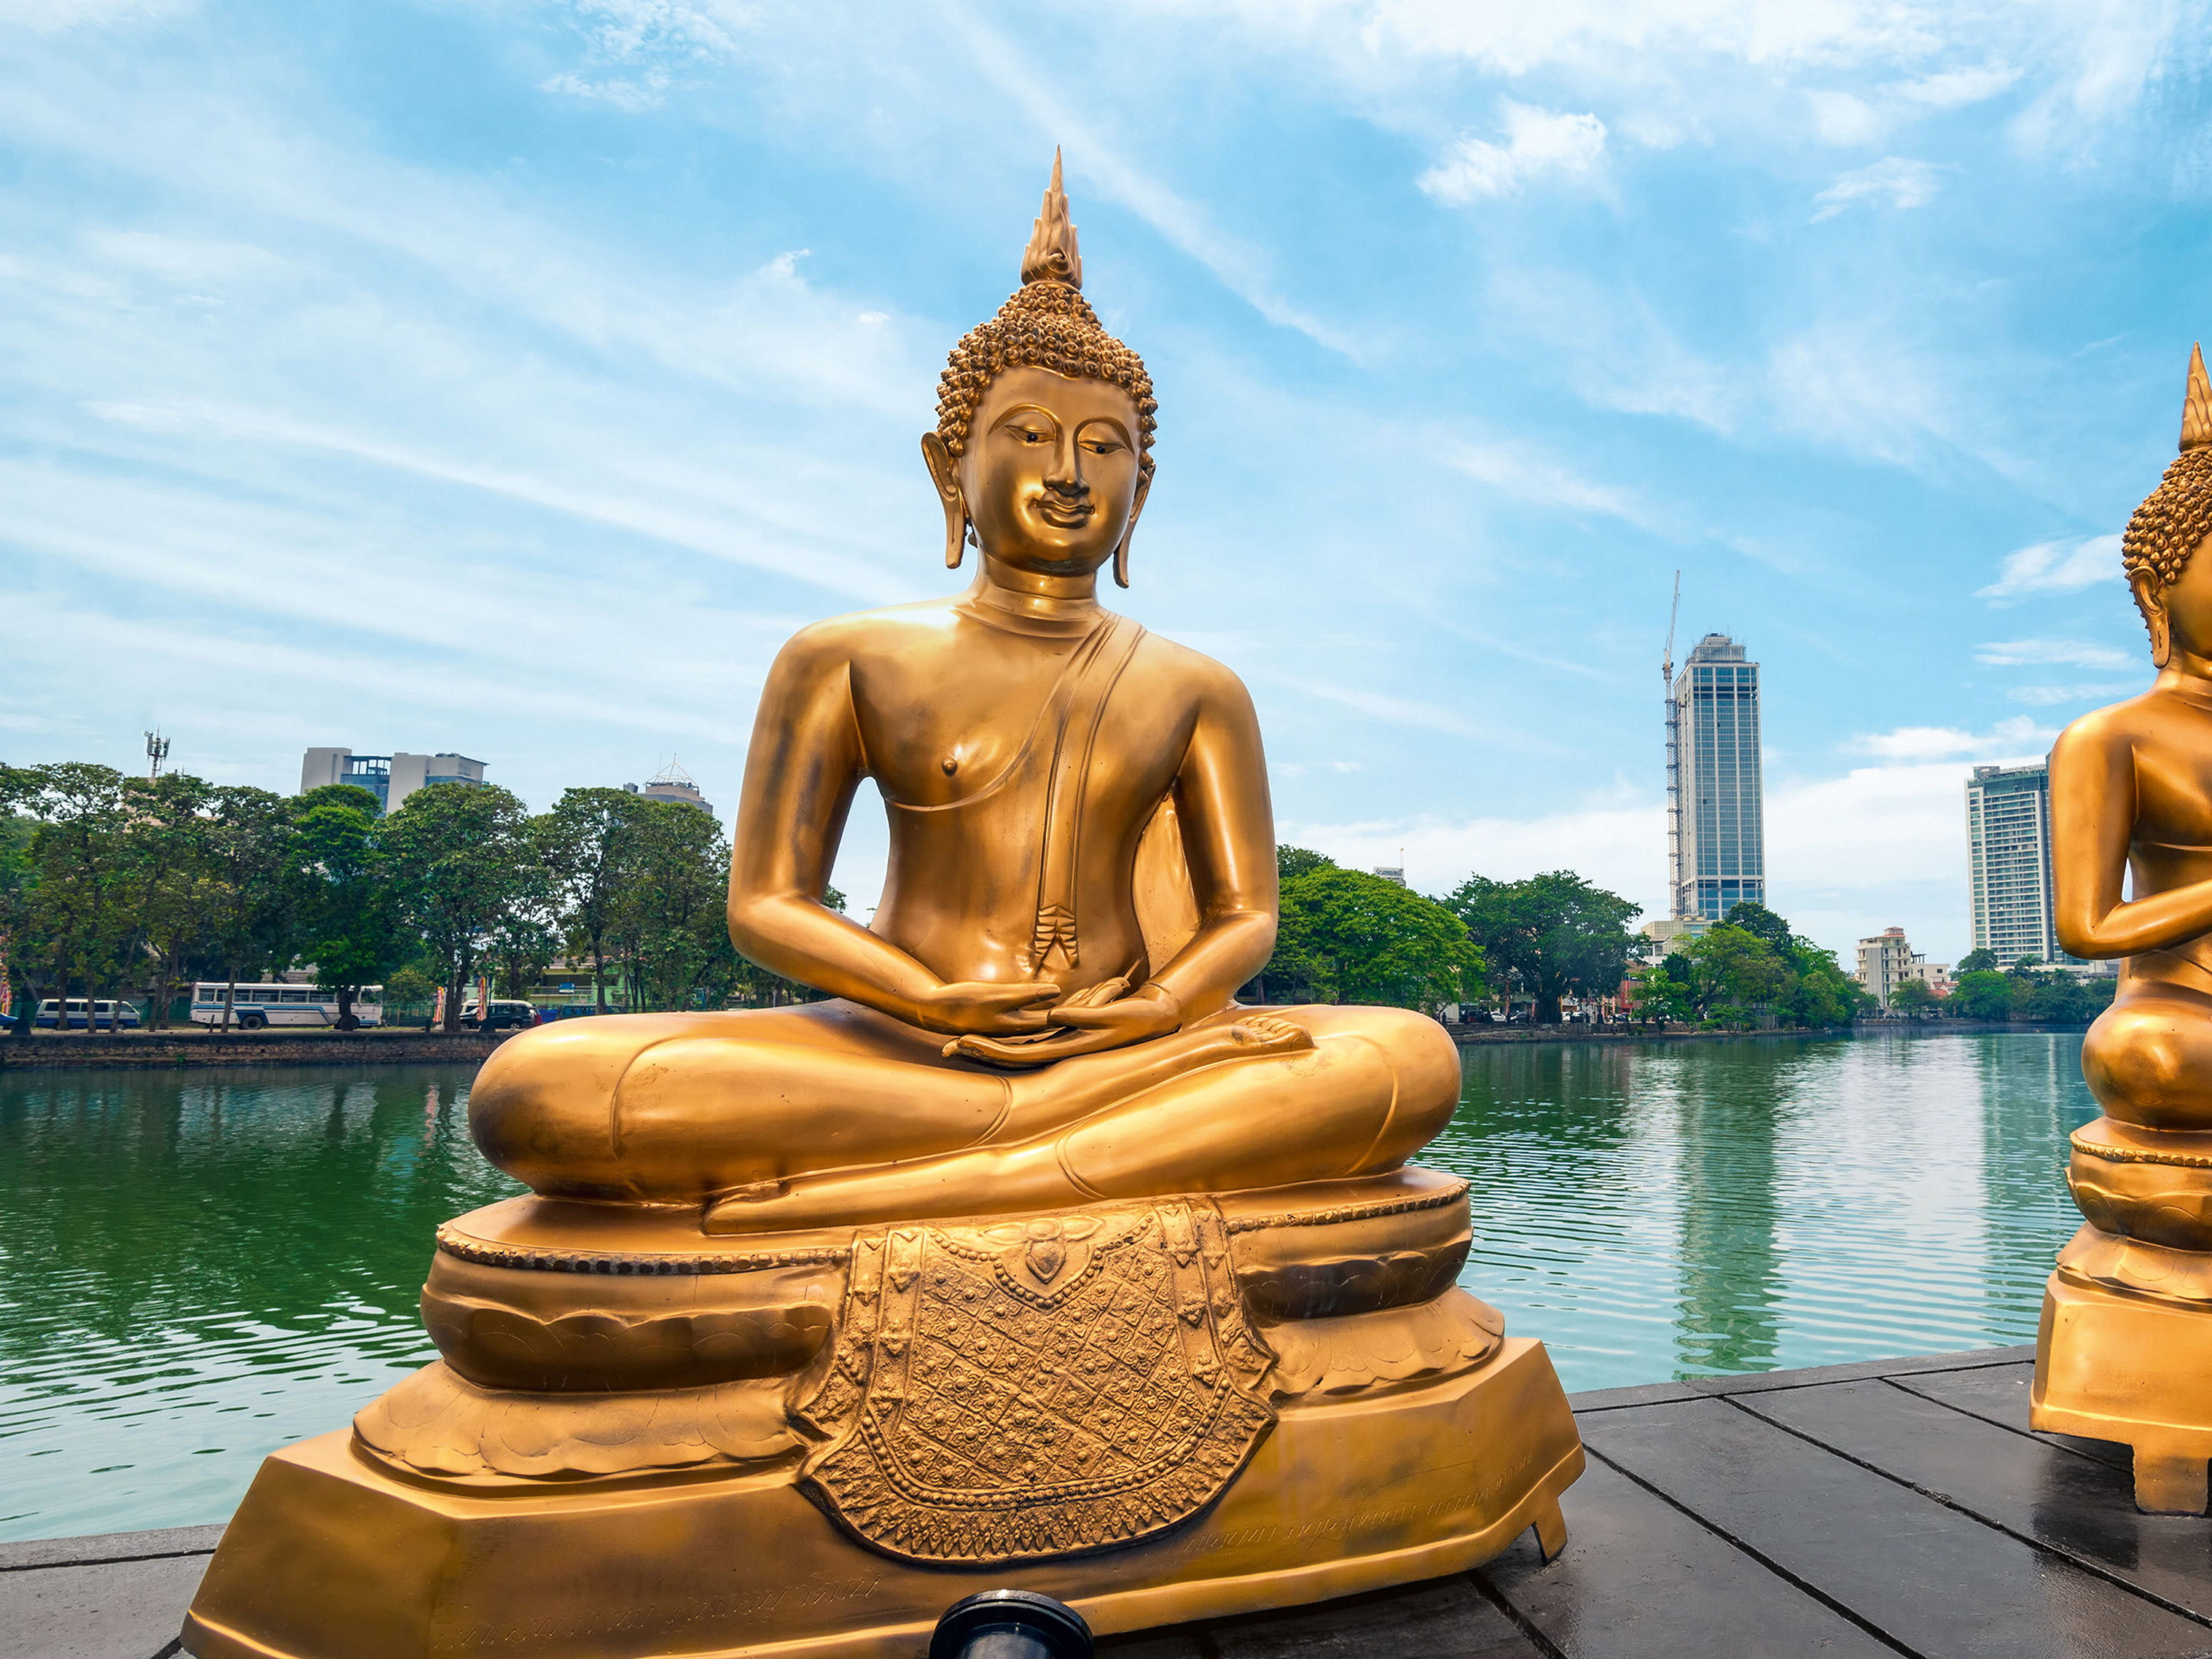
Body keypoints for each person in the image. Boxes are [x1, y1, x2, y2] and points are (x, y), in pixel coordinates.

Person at [469, 157, 1457, 1232]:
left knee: (1404, 1057)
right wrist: (926, 997)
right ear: (952, 470)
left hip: (1132, 1041)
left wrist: (1157, 1011)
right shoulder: (844, 656)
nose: (1070, 470)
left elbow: (1244, 918)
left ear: (1144, 489)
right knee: (539, 1089)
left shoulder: (1198, 687)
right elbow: (766, 905)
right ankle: (1086, 1152)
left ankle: (974, 1175)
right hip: (902, 1045)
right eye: (1030, 435)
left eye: (1104, 445)